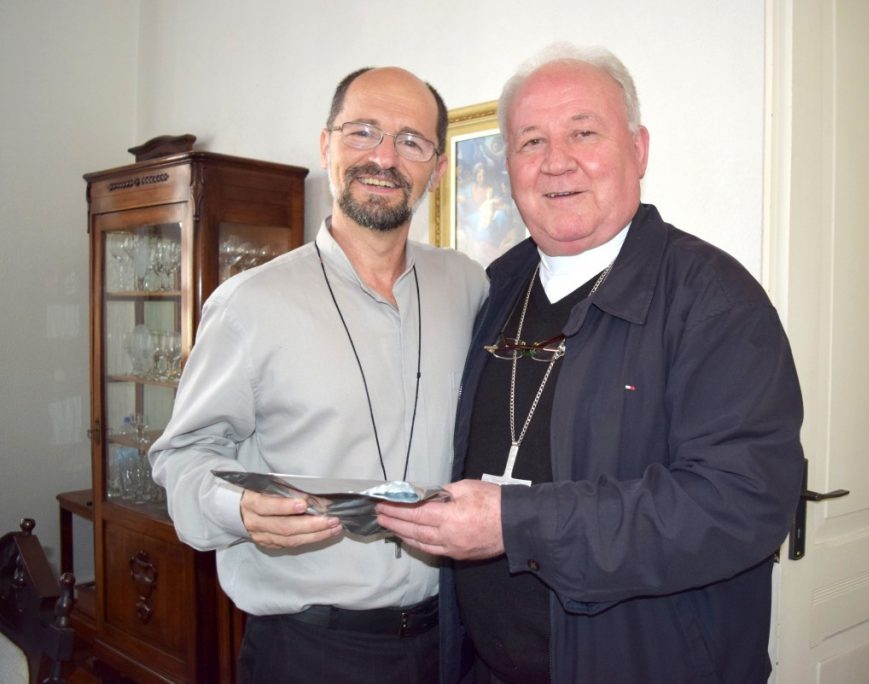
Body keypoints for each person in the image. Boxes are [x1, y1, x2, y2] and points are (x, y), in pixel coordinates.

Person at [376, 44, 805, 683]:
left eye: (583, 132)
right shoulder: (498, 288)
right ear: (510, 166)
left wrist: (514, 523)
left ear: (638, 149)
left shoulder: (713, 299)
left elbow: (741, 503)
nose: (556, 161)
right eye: (531, 141)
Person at [149, 66, 488, 683]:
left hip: (450, 642)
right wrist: (237, 507)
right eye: (363, 132)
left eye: (411, 141)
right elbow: (182, 456)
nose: (383, 157)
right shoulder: (249, 304)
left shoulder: (468, 285)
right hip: (310, 651)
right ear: (326, 145)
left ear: (436, 170)